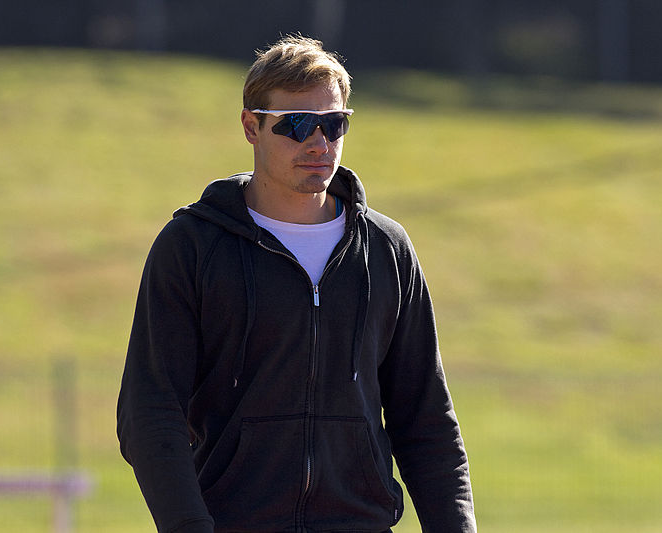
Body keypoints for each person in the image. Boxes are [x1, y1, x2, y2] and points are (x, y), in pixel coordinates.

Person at [116, 35, 476, 533]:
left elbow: (427, 420)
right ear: (251, 126)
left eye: (334, 124)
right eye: (297, 124)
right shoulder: (192, 247)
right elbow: (150, 414)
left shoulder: (387, 250)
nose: (319, 142)